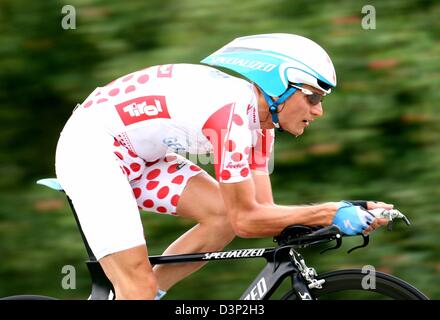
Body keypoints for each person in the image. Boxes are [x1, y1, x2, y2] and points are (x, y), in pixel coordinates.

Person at [55, 33, 390, 300]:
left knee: (219, 217)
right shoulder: (229, 119)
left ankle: (148, 294)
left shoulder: (260, 127)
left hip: (142, 157)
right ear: (279, 88)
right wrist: (329, 211)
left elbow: (263, 212)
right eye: (313, 98)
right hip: (92, 150)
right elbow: (246, 219)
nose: (318, 111)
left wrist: (350, 211)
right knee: (136, 288)